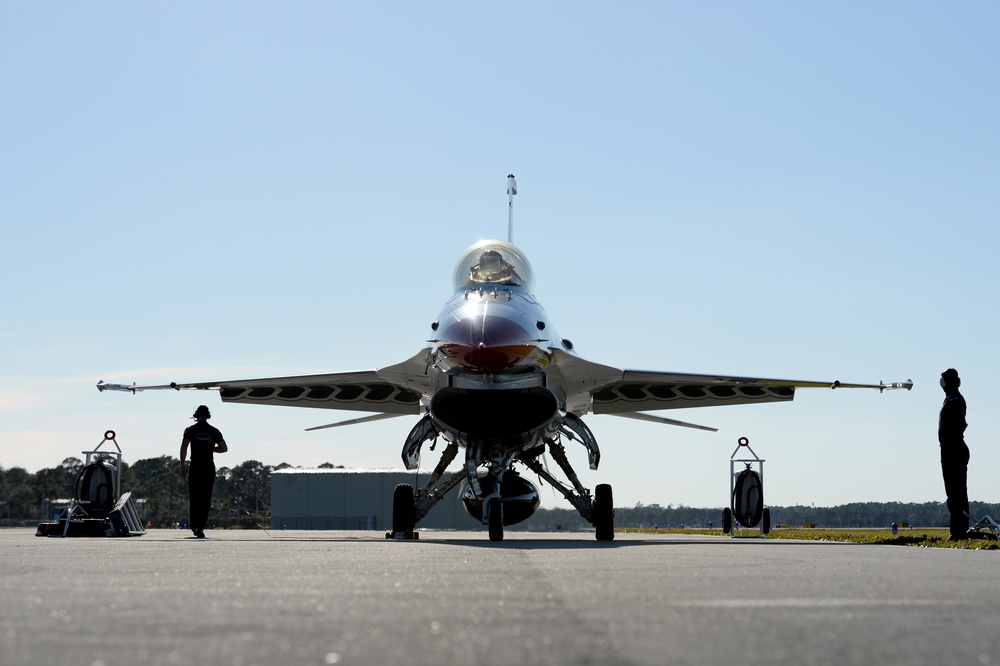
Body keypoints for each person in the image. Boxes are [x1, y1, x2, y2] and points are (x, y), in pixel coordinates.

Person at [179, 405, 228, 538]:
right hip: (208, 466)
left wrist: (182, 465)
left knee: (194, 498)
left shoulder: (190, 430)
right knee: (206, 498)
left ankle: (195, 526)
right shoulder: (214, 431)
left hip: (195, 466)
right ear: (207, 416)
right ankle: (200, 526)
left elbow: (184, 447)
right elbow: (224, 448)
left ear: (196, 416)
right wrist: (210, 448)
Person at [938, 368, 969, 540]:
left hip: (954, 449)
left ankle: (959, 532)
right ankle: (957, 531)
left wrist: (953, 437)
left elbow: (962, 423)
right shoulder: (949, 399)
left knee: (957, 494)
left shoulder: (955, 400)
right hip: (949, 449)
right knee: (953, 494)